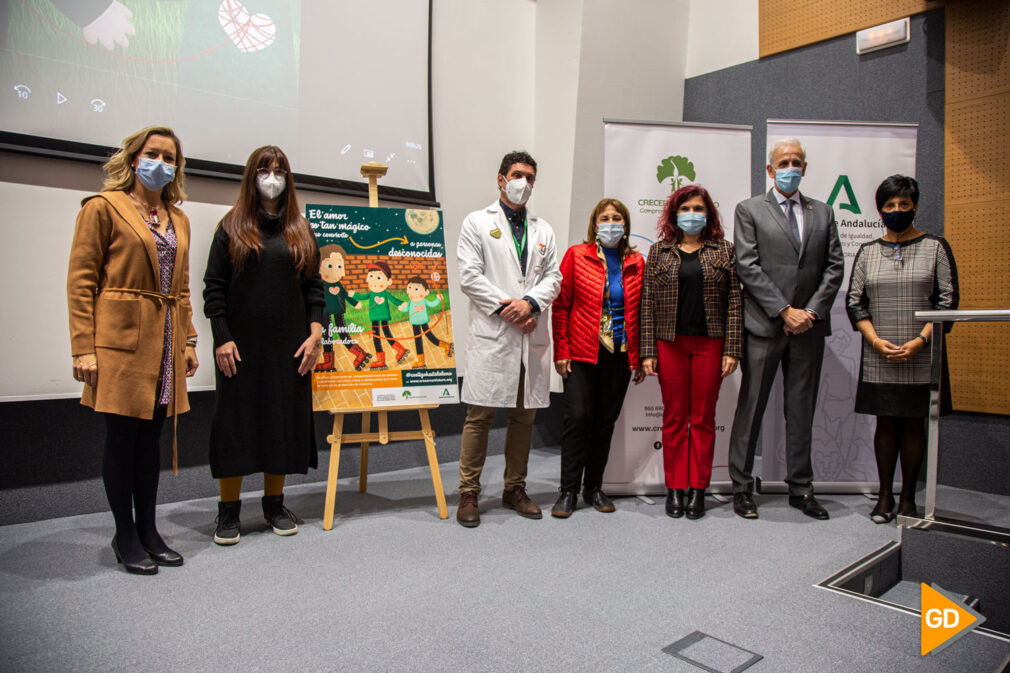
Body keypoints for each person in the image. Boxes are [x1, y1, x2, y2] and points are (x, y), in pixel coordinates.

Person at [67, 125, 199, 574]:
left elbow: (181, 290)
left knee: (151, 441)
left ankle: (149, 529)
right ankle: (124, 533)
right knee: (122, 440)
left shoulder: (178, 218)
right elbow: (81, 282)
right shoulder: (103, 208)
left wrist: (189, 340)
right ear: (133, 157)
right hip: (120, 343)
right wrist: (83, 348)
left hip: (165, 345)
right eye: (152, 154)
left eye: (169, 157)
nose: (160, 163)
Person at [203, 145, 324, 545]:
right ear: (251, 176)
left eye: (279, 170)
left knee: (280, 425)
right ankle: (229, 511)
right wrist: (222, 338)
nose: (272, 177)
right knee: (235, 427)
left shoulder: (301, 230)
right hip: (240, 349)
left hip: (289, 349)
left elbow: (314, 289)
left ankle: (274, 504)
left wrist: (316, 332)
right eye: (264, 169)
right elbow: (214, 289)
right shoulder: (231, 227)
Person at [727, 137, 844, 520]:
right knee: (752, 407)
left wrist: (808, 312)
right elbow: (747, 265)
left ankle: (801, 489)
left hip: (807, 329)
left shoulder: (823, 213)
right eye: (783, 161)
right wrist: (783, 310)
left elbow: (834, 267)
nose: (790, 167)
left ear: (805, 168)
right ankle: (742, 488)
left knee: (801, 409)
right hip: (764, 326)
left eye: (796, 161)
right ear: (769, 168)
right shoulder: (749, 210)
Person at [455, 150, 561, 527]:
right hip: (495, 332)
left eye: (531, 178)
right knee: (479, 414)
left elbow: (555, 277)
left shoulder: (542, 228)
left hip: (528, 334)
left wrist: (530, 303)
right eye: (518, 175)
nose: (524, 183)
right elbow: (469, 276)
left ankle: (514, 487)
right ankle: (469, 491)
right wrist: (509, 310)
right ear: (501, 179)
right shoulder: (476, 222)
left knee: (524, 416)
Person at [846, 175, 958, 522]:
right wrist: (876, 341)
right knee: (885, 425)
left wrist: (922, 339)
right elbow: (855, 303)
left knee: (913, 426)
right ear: (880, 210)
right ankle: (884, 497)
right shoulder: (867, 252)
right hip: (880, 352)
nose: (896, 211)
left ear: (915, 207)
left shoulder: (936, 247)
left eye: (903, 205)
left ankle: (908, 499)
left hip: (922, 352)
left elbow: (948, 300)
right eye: (890, 205)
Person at [640, 185, 742, 520]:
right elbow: (647, 304)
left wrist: (732, 350)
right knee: (672, 419)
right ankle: (675, 489)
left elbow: (734, 304)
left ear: (708, 214)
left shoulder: (724, 250)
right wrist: (648, 350)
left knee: (702, 420)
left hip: (710, 344)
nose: (691, 215)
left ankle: (698, 490)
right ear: (674, 214)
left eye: (698, 208)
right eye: (685, 209)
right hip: (670, 345)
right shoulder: (659, 251)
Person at [550, 198, 644, 518]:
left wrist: (641, 355)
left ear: (626, 225)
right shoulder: (577, 256)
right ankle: (568, 491)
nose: (611, 223)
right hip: (581, 352)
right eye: (605, 218)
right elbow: (561, 306)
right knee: (578, 417)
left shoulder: (636, 261)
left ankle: (594, 488)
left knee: (605, 422)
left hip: (619, 354)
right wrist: (561, 350)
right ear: (594, 224)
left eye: (617, 218)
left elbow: (642, 313)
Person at [316, 243, 369, 371]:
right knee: (327, 336)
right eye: (330, 266)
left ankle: (359, 353)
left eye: (339, 266)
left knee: (343, 333)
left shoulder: (338, 285)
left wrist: (355, 302)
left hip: (338, 311)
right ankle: (329, 362)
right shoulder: (321, 286)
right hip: (325, 312)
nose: (335, 271)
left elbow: (345, 295)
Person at [398, 276, 454, 369]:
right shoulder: (410, 302)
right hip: (415, 323)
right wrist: (401, 308)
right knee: (418, 341)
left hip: (423, 321)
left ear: (426, 292)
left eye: (416, 289)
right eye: (410, 288)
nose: (413, 292)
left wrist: (438, 299)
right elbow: (406, 309)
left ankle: (446, 345)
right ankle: (421, 361)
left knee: (430, 337)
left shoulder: (424, 301)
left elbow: (432, 304)